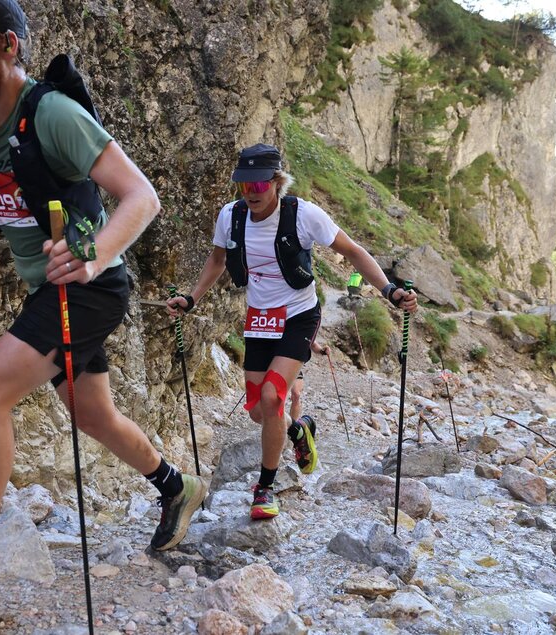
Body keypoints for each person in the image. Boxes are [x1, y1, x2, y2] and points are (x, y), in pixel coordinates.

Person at [0, 0, 205, 613]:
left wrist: (94, 256)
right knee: (91, 414)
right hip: (52, 291)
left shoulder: (53, 114)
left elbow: (142, 196)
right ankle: (176, 486)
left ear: (7, 46)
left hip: (86, 289)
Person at [167, 143, 417, 521]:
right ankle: (299, 431)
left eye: (260, 184)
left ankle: (265, 488)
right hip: (259, 319)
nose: (251, 192)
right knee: (257, 412)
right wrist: (191, 298)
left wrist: (389, 290)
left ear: (277, 182)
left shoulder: (303, 215)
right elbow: (217, 261)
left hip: (299, 315)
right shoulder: (230, 217)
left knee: (271, 398)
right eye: (244, 184)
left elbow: (352, 250)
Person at [288, 340, 326, 468]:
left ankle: (293, 429)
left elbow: (313, 345)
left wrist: (322, 351)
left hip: (295, 365)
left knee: (296, 395)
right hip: (278, 362)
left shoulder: (304, 325)